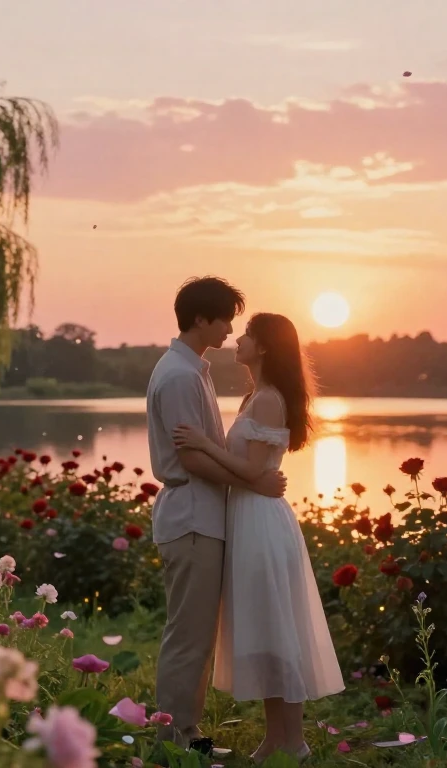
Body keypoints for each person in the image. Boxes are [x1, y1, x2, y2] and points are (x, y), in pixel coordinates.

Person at [173, 312, 345, 763]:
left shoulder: (268, 399)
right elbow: (251, 469)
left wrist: (202, 443)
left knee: (277, 630)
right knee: (266, 628)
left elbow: (252, 470)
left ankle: (294, 741)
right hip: (247, 517)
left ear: (264, 347)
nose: (238, 339)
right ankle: (276, 739)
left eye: (247, 334)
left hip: (262, 522)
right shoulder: (255, 396)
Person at [146, 277, 288, 753]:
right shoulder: (180, 376)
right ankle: (173, 741)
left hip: (201, 516)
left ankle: (186, 734)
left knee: (197, 635)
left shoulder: (194, 370)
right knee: (188, 636)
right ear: (201, 319)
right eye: (225, 319)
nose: (230, 329)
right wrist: (254, 482)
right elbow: (191, 458)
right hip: (191, 517)